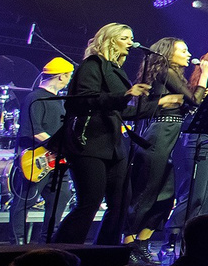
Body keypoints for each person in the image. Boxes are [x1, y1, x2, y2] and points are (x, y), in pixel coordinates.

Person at [55, 22, 163, 244]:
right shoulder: (92, 65)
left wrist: (161, 104)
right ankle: (61, 249)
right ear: (110, 39)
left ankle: (106, 250)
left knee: (121, 202)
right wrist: (124, 95)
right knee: (90, 202)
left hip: (114, 146)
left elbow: (123, 111)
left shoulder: (116, 69)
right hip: (90, 143)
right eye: (125, 38)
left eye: (131, 38)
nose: (131, 43)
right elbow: (85, 99)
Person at [125, 35, 198, 229]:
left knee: (166, 196)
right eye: (183, 51)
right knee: (148, 191)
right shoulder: (166, 71)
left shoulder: (173, 74)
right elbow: (194, 100)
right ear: (168, 54)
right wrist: (204, 74)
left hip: (170, 135)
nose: (189, 54)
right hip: (160, 133)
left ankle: (142, 243)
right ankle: (128, 241)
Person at [8, 57, 72, 244]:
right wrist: (57, 146)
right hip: (36, 158)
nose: (69, 81)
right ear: (61, 77)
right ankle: (17, 242)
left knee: (60, 199)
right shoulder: (35, 97)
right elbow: (33, 130)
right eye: (68, 77)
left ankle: (48, 242)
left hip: (58, 161)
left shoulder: (61, 100)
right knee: (24, 201)